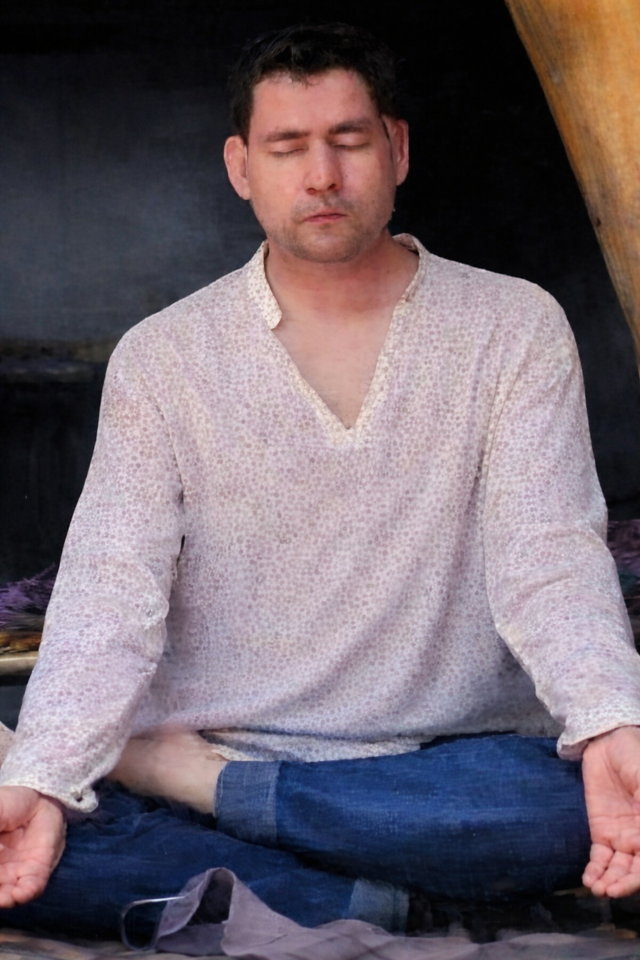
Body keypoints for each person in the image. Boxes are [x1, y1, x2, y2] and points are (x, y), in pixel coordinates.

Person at [2, 20, 640, 941]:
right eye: (287, 147)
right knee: (29, 835)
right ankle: (391, 895)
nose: (322, 176)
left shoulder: (511, 327)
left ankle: (237, 819)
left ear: (397, 150)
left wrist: (611, 719)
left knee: (563, 805)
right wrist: (46, 775)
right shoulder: (165, 358)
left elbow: (550, 556)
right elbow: (110, 589)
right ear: (241, 167)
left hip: (444, 765)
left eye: (348, 140)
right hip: (237, 733)